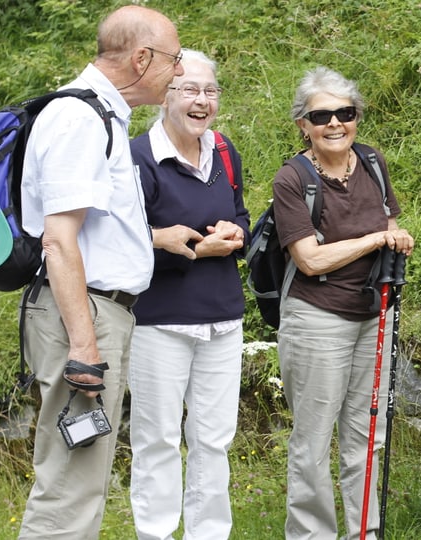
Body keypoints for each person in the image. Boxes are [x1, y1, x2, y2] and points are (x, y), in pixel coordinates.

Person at [17, 6, 201, 539]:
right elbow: (59, 238)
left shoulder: (101, 117)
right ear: (142, 59)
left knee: (83, 476)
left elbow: (92, 232)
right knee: (70, 485)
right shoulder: (80, 118)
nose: (179, 69)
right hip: (84, 314)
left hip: (96, 309)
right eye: (174, 58)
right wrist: (84, 344)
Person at [273, 66, 414, 540]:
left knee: (366, 435)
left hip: (375, 312)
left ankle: (363, 533)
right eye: (322, 115)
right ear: (303, 125)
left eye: (345, 113)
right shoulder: (293, 179)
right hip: (316, 318)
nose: (335, 123)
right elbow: (309, 260)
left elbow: (390, 222)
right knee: (312, 440)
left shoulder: (372, 161)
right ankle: (312, 536)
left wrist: (395, 238)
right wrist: (377, 238)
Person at [128, 49, 249, 540]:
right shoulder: (138, 157)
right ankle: (155, 534)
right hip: (160, 321)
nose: (201, 101)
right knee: (156, 440)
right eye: (189, 90)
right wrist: (179, 244)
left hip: (223, 318)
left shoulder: (224, 151)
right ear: (165, 96)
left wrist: (232, 233)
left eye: (210, 91)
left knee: (214, 441)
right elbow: (117, 241)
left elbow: (241, 217)